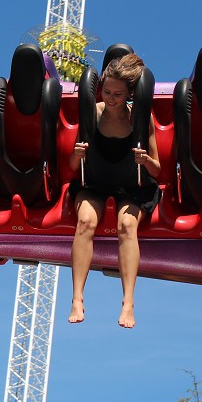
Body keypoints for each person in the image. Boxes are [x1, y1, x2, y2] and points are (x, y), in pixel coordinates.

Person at [67, 53, 160, 328]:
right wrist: (77, 153)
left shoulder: (142, 119)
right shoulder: (92, 112)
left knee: (127, 225)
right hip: (95, 181)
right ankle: (76, 298)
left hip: (130, 185)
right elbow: (74, 166)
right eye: (107, 91)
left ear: (130, 93)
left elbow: (156, 169)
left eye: (118, 94)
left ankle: (128, 302)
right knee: (85, 222)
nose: (111, 98)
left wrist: (145, 160)